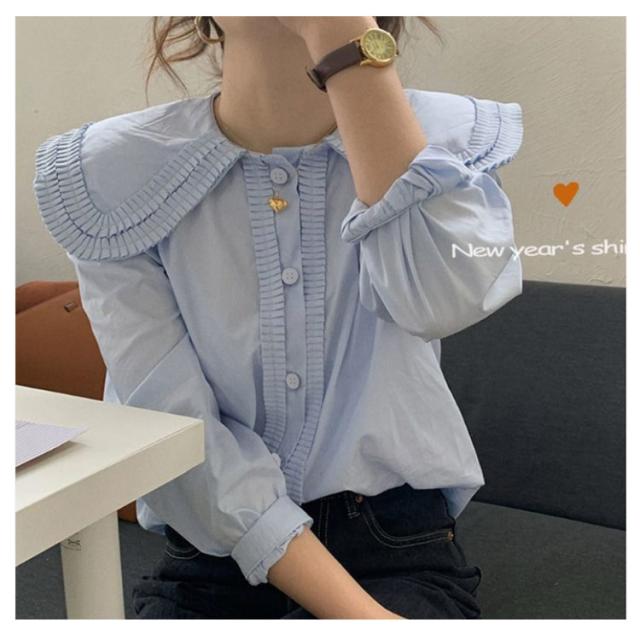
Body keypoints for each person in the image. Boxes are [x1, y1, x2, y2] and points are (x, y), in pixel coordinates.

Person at [33, 16, 524, 619]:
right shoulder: (112, 177)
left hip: (395, 549)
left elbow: (437, 301)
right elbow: (173, 425)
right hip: (209, 556)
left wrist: (342, 37)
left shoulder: (444, 143)